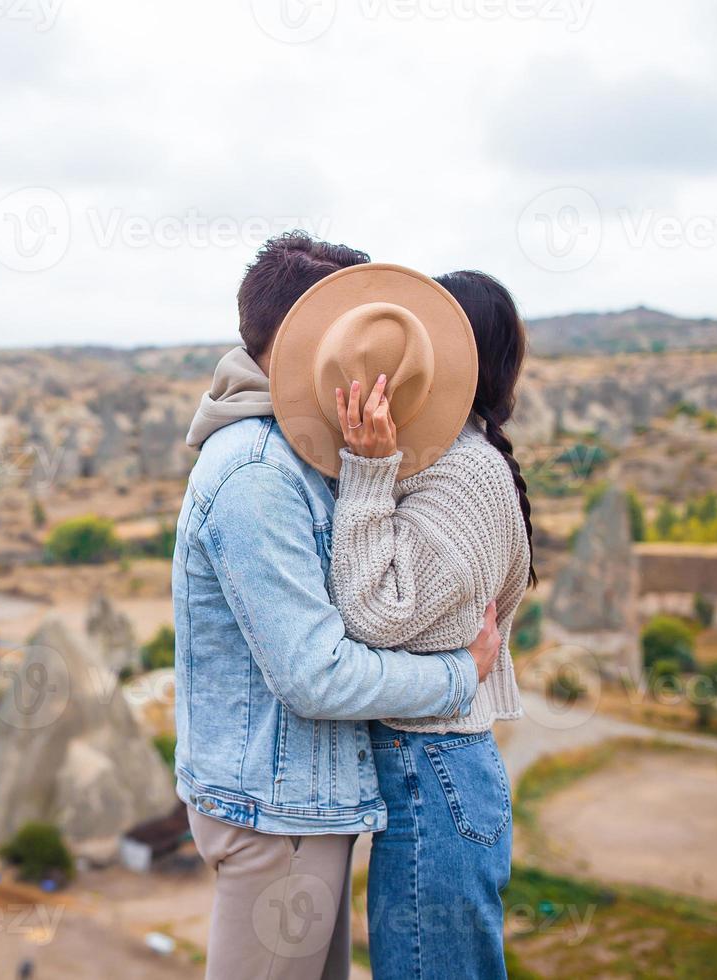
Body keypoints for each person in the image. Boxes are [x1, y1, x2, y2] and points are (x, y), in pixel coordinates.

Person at [174, 234, 503, 980]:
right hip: (275, 815)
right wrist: (461, 674)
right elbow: (316, 675)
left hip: (300, 806)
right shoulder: (258, 475)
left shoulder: (299, 452)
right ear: (308, 341)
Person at [328, 269, 534, 980]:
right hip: (436, 774)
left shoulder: (463, 476)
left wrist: (365, 473)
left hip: (433, 776)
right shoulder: (453, 463)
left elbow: (373, 616)